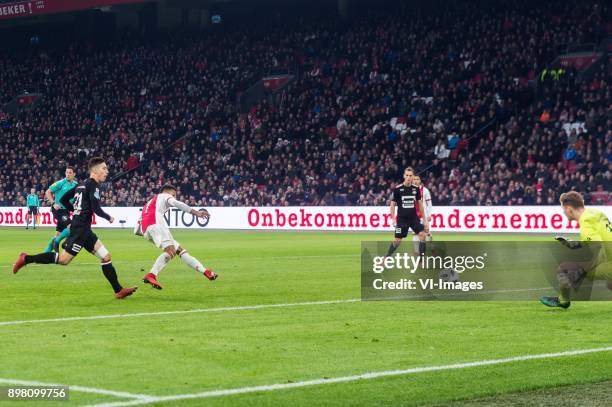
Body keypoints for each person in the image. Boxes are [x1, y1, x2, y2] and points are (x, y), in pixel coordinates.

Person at [13, 157, 137, 300]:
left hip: (84, 229)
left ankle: (118, 290)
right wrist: (108, 217)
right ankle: (26, 258)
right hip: (80, 230)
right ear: (95, 171)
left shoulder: (81, 185)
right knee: (64, 260)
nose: (107, 171)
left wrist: (77, 210)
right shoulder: (93, 185)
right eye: (104, 168)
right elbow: (96, 209)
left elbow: (64, 199)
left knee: (106, 257)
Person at [134, 184, 217, 290]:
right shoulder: (164, 196)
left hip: (146, 230)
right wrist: (196, 213)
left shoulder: (149, 203)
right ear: (167, 192)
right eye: (173, 195)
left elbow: (136, 230)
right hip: (156, 223)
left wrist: (149, 232)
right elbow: (177, 203)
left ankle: (206, 271)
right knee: (171, 251)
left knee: (180, 250)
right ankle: (151, 275)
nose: (174, 197)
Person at [541, 191, 611, 309]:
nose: (563, 212)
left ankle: (563, 301)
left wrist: (581, 272)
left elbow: (600, 252)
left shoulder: (586, 225)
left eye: (563, 209)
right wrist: (572, 244)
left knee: (564, 269)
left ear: (569, 209)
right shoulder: (594, 213)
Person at [386, 167, 429, 257]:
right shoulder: (398, 189)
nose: (409, 177)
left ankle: (421, 261)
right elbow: (392, 204)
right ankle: (386, 257)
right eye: (407, 175)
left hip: (414, 219)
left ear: (413, 177)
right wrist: (393, 218)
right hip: (402, 219)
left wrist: (425, 220)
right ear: (404, 176)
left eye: (410, 175)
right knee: (397, 241)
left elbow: (420, 204)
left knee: (423, 235)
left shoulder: (416, 189)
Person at [44, 166, 77, 252]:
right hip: (58, 210)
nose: (68, 174)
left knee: (58, 234)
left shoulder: (76, 185)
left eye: (70, 173)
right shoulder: (60, 183)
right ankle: (63, 244)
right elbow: (48, 192)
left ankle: (45, 254)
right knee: (71, 227)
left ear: (74, 174)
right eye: (67, 172)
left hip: (66, 211)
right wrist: (53, 203)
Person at [412, 174, 433, 254]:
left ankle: (431, 247)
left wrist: (429, 215)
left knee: (426, 234)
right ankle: (416, 251)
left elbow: (429, 204)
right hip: (414, 217)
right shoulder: (410, 190)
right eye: (414, 179)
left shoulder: (425, 190)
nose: (416, 181)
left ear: (420, 180)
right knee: (415, 234)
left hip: (423, 216)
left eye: (417, 179)